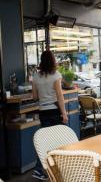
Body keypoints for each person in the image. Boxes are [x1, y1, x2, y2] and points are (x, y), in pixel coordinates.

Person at [31, 50, 68, 180]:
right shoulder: (56, 75)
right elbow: (59, 96)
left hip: (43, 111)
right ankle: (50, 168)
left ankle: (42, 169)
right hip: (54, 110)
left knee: (45, 140)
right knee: (57, 139)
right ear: (53, 60)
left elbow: (35, 97)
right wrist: (64, 113)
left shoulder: (36, 76)